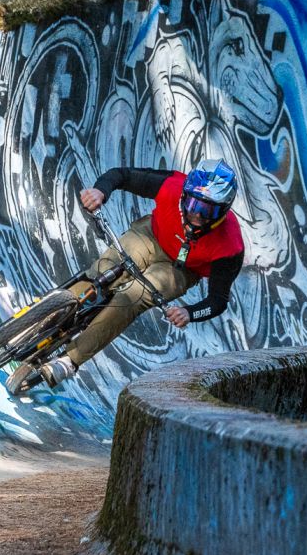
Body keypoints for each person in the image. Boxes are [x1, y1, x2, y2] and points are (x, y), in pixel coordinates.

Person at [26, 158, 245, 389]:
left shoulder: (230, 246)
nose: (197, 216)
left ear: (224, 210)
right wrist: (101, 191)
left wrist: (190, 313)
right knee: (105, 269)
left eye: (208, 210)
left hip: (181, 269)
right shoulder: (171, 185)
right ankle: (43, 316)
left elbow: (218, 301)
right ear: (185, 194)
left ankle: (70, 360)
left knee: (133, 296)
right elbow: (122, 174)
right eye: (193, 205)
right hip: (150, 235)